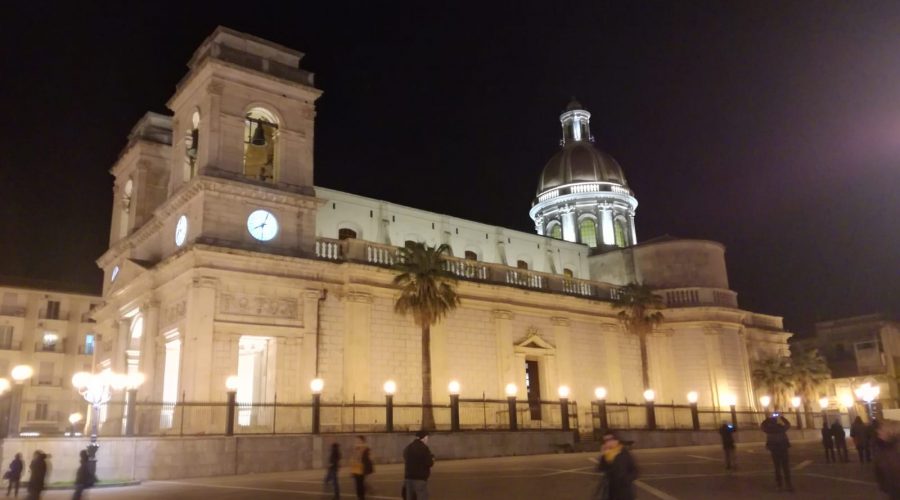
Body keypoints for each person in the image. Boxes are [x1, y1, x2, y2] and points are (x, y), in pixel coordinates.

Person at [596, 432, 638, 500]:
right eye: (606, 441)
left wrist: (627, 480)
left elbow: (634, 470)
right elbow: (600, 468)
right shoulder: (606, 454)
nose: (608, 442)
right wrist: (603, 455)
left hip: (625, 491)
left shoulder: (624, 453)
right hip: (611, 490)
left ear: (616, 441)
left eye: (610, 440)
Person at [760, 412, 793, 492]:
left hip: (774, 450)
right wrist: (781, 417)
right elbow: (788, 424)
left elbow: (762, 426)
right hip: (783, 449)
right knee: (786, 467)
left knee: (777, 467)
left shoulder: (769, 430)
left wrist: (768, 418)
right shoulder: (781, 428)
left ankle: (779, 485)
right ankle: (788, 485)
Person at [403, 430, 435, 500]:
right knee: (422, 496)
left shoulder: (409, 447)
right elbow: (429, 463)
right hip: (420, 479)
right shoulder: (424, 448)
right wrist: (432, 458)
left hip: (408, 478)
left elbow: (405, 457)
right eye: (427, 438)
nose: (427, 440)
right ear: (424, 438)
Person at [873, 419, 900, 499]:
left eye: (881, 429)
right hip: (891, 492)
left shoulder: (895, 449)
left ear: (891, 431)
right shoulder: (882, 447)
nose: (878, 431)